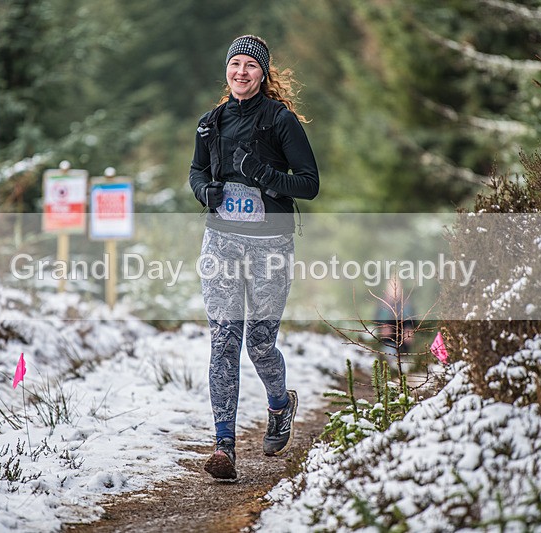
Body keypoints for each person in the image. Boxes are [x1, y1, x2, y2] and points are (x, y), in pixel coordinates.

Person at [189, 34, 319, 480]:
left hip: (271, 245)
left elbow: (309, 184)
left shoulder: (280, 121)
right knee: (224, 339)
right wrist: (206, 190)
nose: (241, 71)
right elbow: (196, 171)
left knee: (259, 342)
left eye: (250, 65)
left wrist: (261, 173)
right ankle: (223, 446)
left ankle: (281, 405)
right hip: (221, 241)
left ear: (263, 74)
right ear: (226, 71)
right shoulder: (210, 123)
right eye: (235, 64)